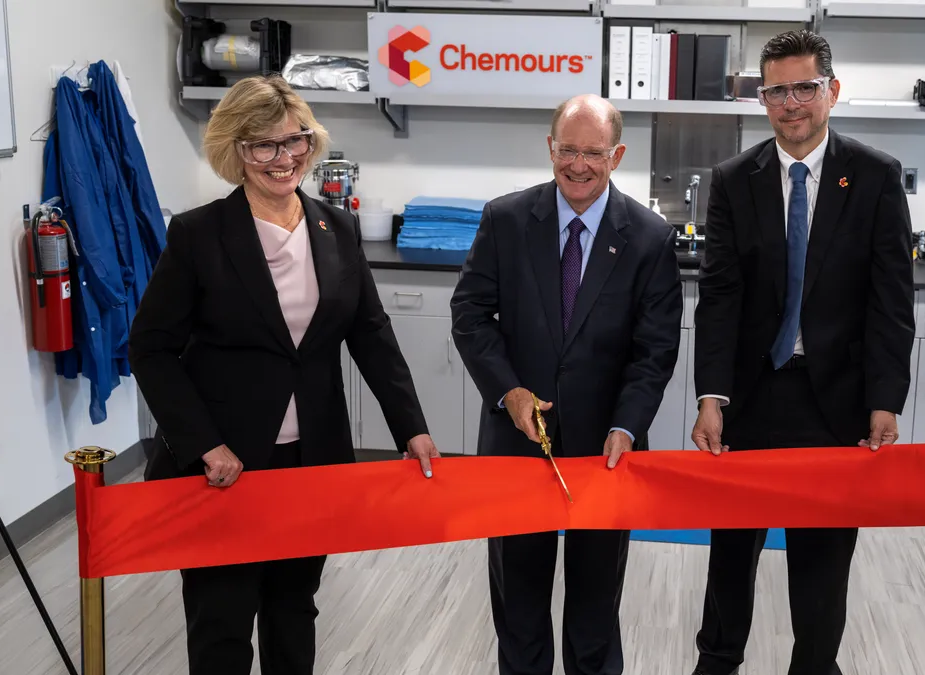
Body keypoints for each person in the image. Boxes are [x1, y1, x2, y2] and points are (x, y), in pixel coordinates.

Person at [128, 74, 440, 675]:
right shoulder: (199, 234)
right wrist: (203, 444)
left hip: (311, 461)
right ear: (235, 151)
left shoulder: (336, 228)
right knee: (222, 616)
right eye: (262, 145)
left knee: (294, 606)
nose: (283, 158)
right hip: (226, 465)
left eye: (295, 140)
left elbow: (371, 334)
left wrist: (411, 427)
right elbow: (151, 348)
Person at [687, 30, 915, 675]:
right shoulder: (735, 179)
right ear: (763, 100)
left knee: (823, 557)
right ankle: (718, 661)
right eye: (777, 90)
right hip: (751, 398)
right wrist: (711, 398)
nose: (791, 103)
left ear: (832, 91)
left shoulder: (874, 176)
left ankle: (814, 666)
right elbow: (721, 299)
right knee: (732, 551)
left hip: (835, 400)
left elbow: (890, 300)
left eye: (804, 87)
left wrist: (884, 401)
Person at [450, 94, 682, 675]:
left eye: (594, 153)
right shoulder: (504, 219)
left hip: (608, 450)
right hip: (516, 446)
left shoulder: (650, 238)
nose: (579, 165)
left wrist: (628, 424)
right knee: (520, 608)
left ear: (617, 154)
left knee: (594, 610)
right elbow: (471, 314)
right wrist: (509, 391)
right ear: (550, 148)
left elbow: (655, 350)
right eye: (568, 150)